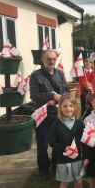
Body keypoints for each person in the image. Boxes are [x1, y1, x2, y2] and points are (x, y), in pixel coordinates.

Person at [30, 49, 70, 180]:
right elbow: (34, 95)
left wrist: (59, 99)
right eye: (49, 59)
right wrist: (52, 96)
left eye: (54, 59)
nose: (52, 61)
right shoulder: (35, 76)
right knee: (43, 143)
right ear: (42, 59)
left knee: (57, 141)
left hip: (58, 114)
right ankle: (44, 168)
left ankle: (56, 164)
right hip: (43, 115)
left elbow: (67, 92)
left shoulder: (60, 74)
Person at [49, 93, 89, 188]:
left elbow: (84, 141)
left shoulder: (79, 122)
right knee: (65, 183)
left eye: (70, 106)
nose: (68, 109)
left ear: (75, 107)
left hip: (77, 158)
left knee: (78, 181)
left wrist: (86, 156)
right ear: (60, 108)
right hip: (63, 159)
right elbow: (52, 142)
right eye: (65, 106)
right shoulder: (57, 124)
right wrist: (63, 148)